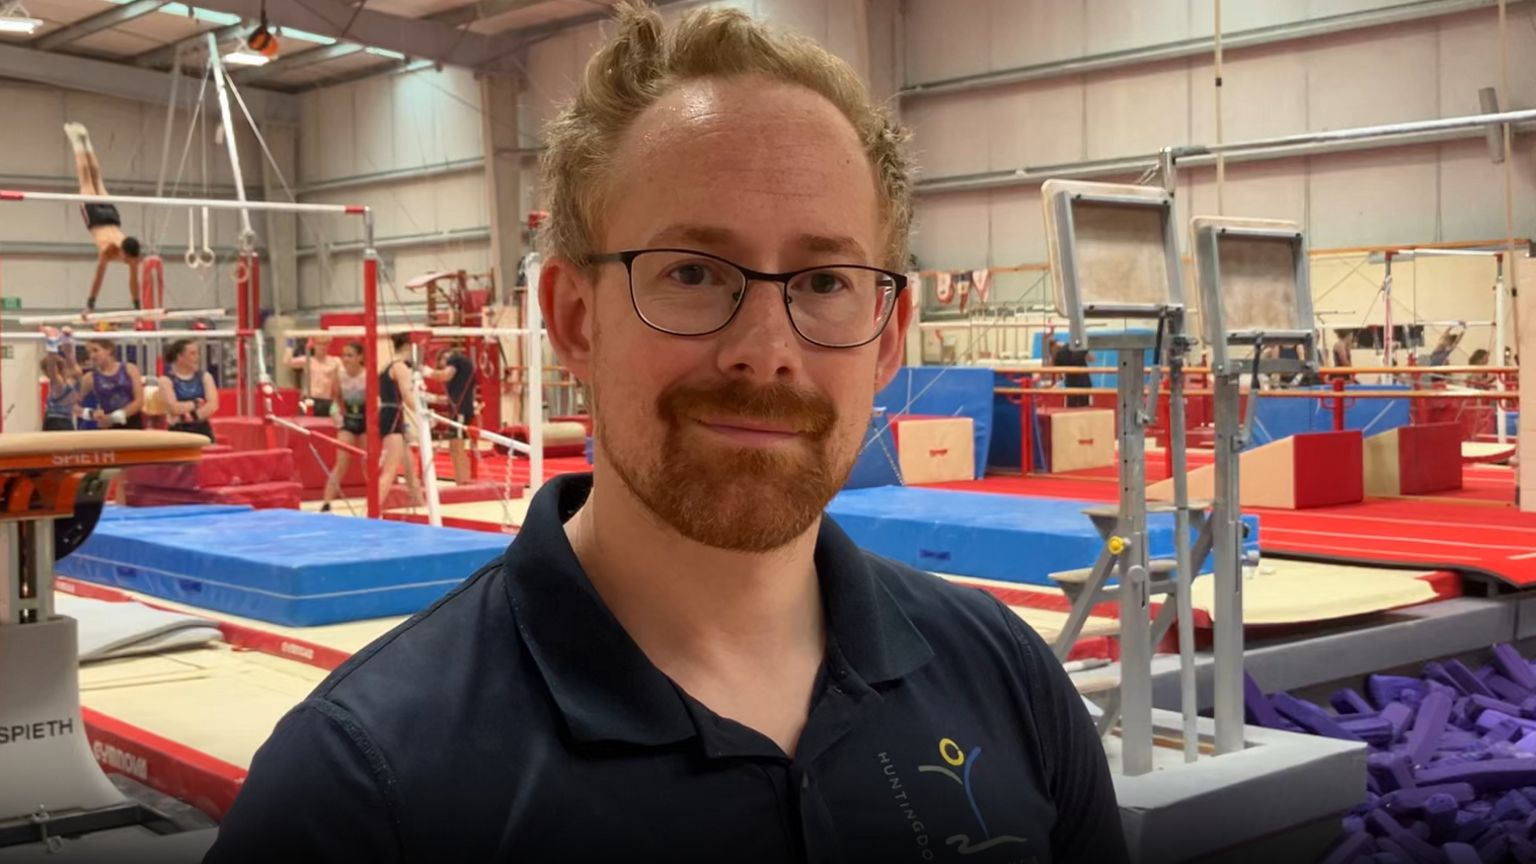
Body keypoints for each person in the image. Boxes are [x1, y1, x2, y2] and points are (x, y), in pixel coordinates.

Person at [205, 4, 1126, 863]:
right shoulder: (364, 787)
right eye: (691, 272)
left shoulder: (1006, 677)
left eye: (825, 281)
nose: (765, 351)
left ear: (888, 335)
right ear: (572, 317)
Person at [63, 123, 141, 317]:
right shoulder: (109, 250)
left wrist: (137, 307)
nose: (126, 262)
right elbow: (99, 277)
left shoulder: (131, 256)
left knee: (97, 179)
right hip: (97, 219)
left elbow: (133, 282)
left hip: (112, 217)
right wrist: (90, 304)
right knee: (87, 178)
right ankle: (77, 141)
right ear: (124, 250)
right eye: (127, 258)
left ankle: (86, 141)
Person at [320, 341, 367, 513]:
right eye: (343, 355)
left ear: (360, 357)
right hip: (348, 422)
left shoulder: (367, 375)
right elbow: (334, 399)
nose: (345, 359)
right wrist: (337, 418)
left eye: (350, 355)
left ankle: (376, 500)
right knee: (341, 463)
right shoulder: (339, 374)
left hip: (365, 423)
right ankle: (326, 503)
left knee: (367, 464)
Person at [376, 331, 422, 508]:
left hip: (393, 414)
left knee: (410, 469)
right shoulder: (400, 366)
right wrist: (424, 414)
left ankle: (420, 503)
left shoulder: (387, 365)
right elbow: (408, 397)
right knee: (390, 469)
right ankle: (374, 511)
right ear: (408, 347)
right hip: (393, 416)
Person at [425, 344, 476, 483]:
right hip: (460, 409)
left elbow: (444, 376)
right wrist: (432, 398)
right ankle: (462, 479)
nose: (442, 367)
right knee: (456, 446)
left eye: (441, 364)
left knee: (456, 446)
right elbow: (450, 397)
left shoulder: (455, 359)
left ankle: (463, 480)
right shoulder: (463, 366)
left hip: (461, 410)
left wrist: (425, 371)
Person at [159, 339, 219, 441]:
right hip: (178, 431)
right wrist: (195, 403)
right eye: (192, 354)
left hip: (202, 429)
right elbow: (173, 408)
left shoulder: (205, 377)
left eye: (197, 353)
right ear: (180, 357)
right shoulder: (165, 380)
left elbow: (213, 405)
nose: (197, 358)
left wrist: (192, 416)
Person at [80, 338, 143, 430]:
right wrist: (90, 413)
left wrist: (114, 417)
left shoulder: (130, 369)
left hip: (132, 422)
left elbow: (139, 401)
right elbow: (72, 404)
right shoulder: (90, 378)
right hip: (107, 425)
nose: (92, 356)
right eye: (89, 353)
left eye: (95, 350)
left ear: (108, 350)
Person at [284, 335, 342, 417]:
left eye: (325, 344)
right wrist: (289, 343)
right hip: (308, 399)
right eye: (319, 344)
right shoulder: (308, 360)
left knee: (330, 425)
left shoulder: (335, 361)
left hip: (326, 401)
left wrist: (337, 402)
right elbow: (287, 362)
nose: (322, 347)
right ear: (314, 345)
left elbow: (338, 384)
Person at [1052, 337, 1093, 407]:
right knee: (1084, 406)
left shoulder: (1058, 356)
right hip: (1082, 381)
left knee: (1072, 405)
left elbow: (1058, 375)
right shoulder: (1077, 348)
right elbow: (1091, 358)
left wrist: (1057, 383)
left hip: (1072, 383)